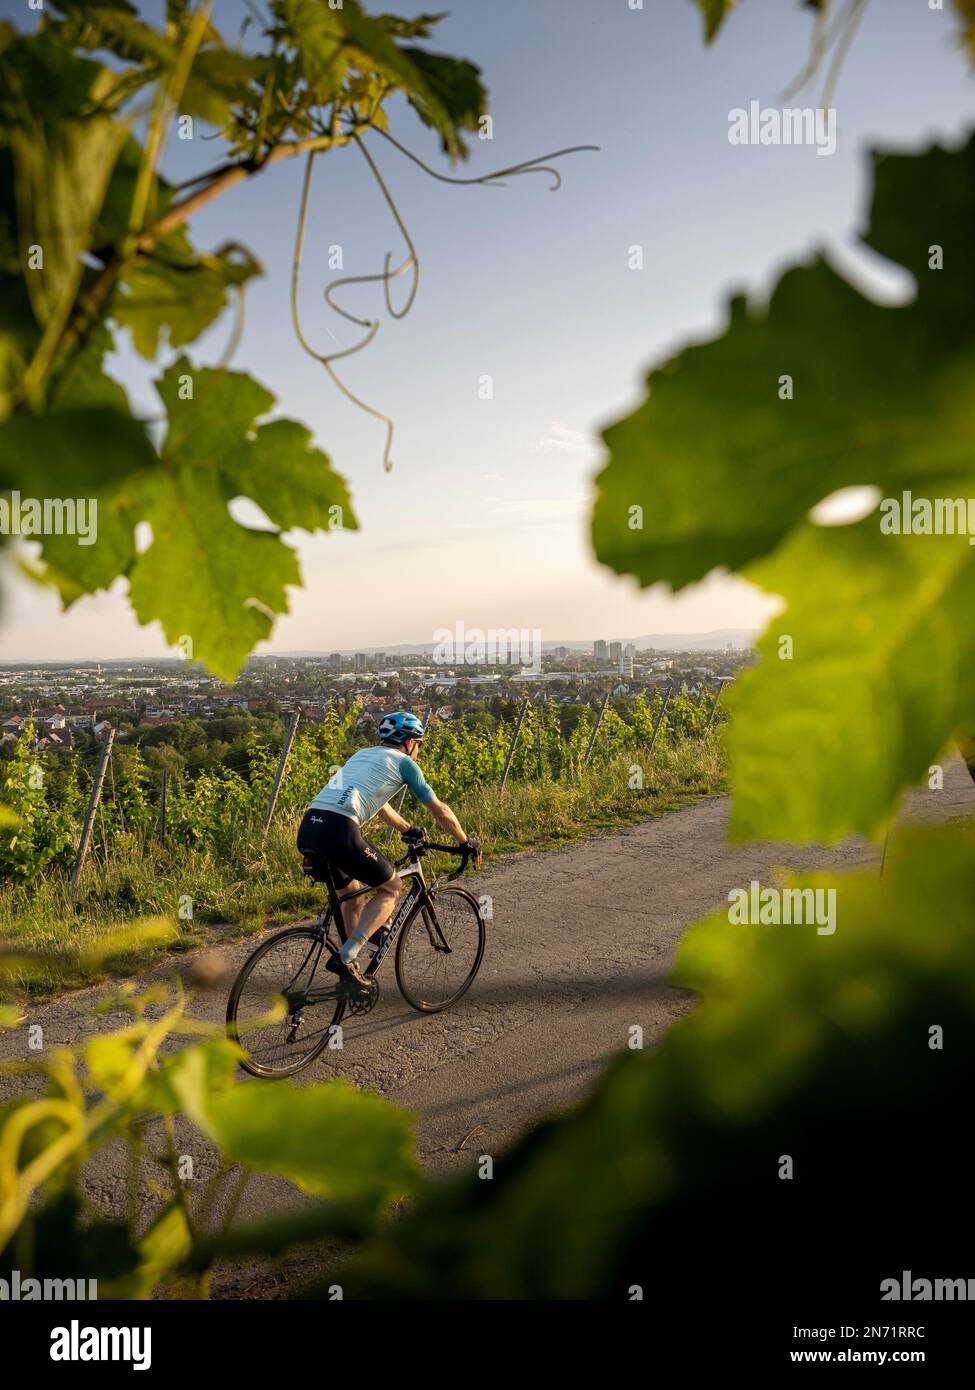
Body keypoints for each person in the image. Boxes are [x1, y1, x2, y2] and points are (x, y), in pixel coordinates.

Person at [297, 711, 481, 987]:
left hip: (310, 826)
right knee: (391, 887)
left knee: (351, 894)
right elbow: (440, 811)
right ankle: (346, 957)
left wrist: (407, 829)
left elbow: (379, 802)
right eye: (419, 743)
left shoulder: (362, 755)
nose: (418, 749)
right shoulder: (405, 763)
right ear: (409, 742)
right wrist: (466, 841)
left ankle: (350, 972)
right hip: (339, 829)